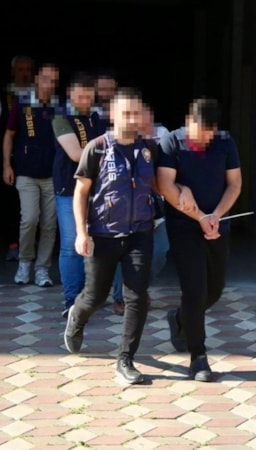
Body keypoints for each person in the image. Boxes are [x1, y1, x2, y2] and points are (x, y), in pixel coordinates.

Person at [63, 87, 159, 385]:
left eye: (136, 113)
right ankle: (77, 317)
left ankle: (125, 359)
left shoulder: (149, 149)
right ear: (113, 114)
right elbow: (81, 192)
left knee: (137, 297)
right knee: (96, 296)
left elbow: (160, 185)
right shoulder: (97, 148)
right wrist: (81, 233)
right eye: (126, 113)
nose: (132, 119)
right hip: (103, 235)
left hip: (140, 232)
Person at [158, 98, 242, 381]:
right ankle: (198, 357)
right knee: (194, 291)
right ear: (188, 121)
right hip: (184, 226)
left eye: (209, 133)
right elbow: (165, 185)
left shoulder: (225, 142)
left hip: (218, 225)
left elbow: (234, 184)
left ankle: (180, 318)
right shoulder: (171, 142)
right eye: (200, 132)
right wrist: (199, 217)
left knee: (214, 289)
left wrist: (216, 215)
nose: (204, 139)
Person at [2, 62, 60, 286]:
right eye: (46, 79)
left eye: (54, 81)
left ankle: (42, 269)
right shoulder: (22, 104)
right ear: (37, 79)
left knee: (49, 224)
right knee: (29, 219)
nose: (49, 84)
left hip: (52, 174)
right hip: (26, 173)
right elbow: (9, 135)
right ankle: (25, 262)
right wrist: (7, 165)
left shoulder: (60, 106)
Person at [52, 72, 105, 316]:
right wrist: (106, 153)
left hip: (98, 187)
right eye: (80, 96)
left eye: (88, 95)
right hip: (69, 188)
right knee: (71, 243)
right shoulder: (60, 117)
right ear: (69, 94)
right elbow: (75, 154)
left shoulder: (97, 117)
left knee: (97, 242)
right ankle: (71, 300)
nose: (84, 100)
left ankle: (90, 296)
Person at [111, 105, 169, 315]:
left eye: (147, 122)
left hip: (153, 210)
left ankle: (139, 288)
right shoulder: (115, 144)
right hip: (124, 211)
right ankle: (122, 297)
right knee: (124, 254)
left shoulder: (158, 143)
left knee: (161, 250)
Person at [1, 55, 34, 262]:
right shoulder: (5, 95)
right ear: (13, 72)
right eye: (20, 69)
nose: (24, 74)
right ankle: (13, 243)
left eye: (28, 69)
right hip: (10, 156)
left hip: (34, 157)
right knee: (11, 202)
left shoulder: (40, 96)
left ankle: (32, 244)